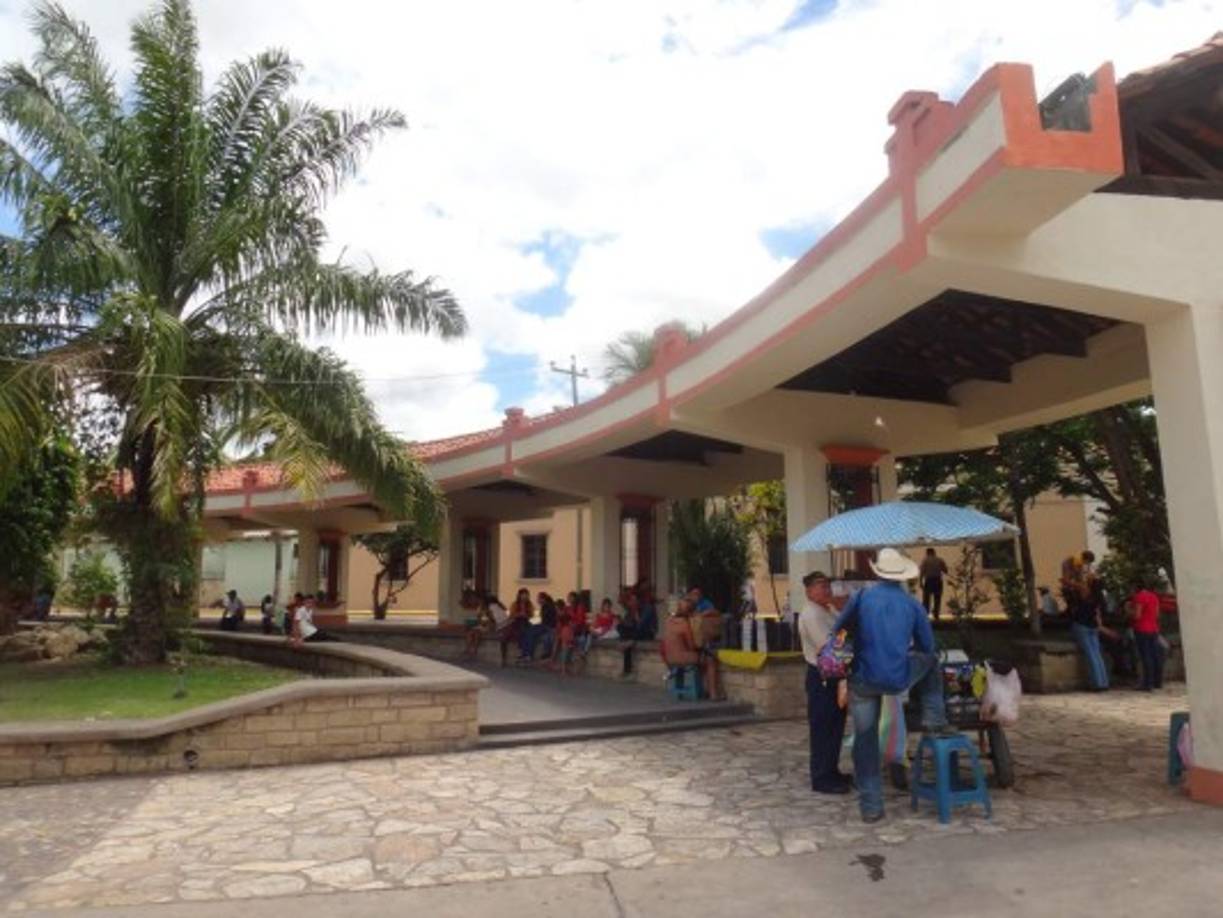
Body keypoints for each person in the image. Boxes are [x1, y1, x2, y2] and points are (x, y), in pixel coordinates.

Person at [832, 547, 951, 823]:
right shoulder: (913, 605)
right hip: (898, 677)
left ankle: (871, 807)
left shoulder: (861, 597)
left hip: (863, 678)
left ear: (878, 571)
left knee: (865, 740)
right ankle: (935, 717)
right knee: (932, 660)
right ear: (902, 576)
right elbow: (927, 646)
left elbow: (838, 631)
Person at [798, 571, 851, 795]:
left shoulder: (827, 610)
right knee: (822, 727)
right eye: (820, 586)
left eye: (827, 585)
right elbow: (829, 646)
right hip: (821, 675)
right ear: (809, 591)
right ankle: (821, 777)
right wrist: (849, 640)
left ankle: (832, 770)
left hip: (835, 674)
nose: (826, 589)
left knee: (835, 726)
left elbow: (842, 633)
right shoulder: (811, 614)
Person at [1066, 556, 1109, 691]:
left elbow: (1067, 582)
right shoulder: (1098, 597)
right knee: (1097, 655)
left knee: (1091, 656)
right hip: (1092, 626)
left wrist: (1070, 567)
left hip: (1082, 625)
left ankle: (1097, 684)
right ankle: (1104, 682)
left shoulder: (1085, 591)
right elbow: (1098, 615)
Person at [1130, 582, 1164, 691]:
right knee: (1155, 655)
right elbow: (1157, 614)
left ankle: (1147, 683)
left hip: (1141, 629)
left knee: (1146, 656)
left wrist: (1128, 611)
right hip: (1153, 628)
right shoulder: (1154, 596)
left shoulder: (1139, 597)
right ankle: (1157, 681)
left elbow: (1137, 615)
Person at [919, 549, 948, 620]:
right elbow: (945, 571)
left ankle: (926, 614)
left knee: (926, 599)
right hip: (937, 580)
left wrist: (920, 582)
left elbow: (922, 572)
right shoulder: (940, 560)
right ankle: (936, 614)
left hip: (929, 580)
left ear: (927, 553)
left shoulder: (925, 561)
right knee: (937, 598)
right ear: (934, 552)